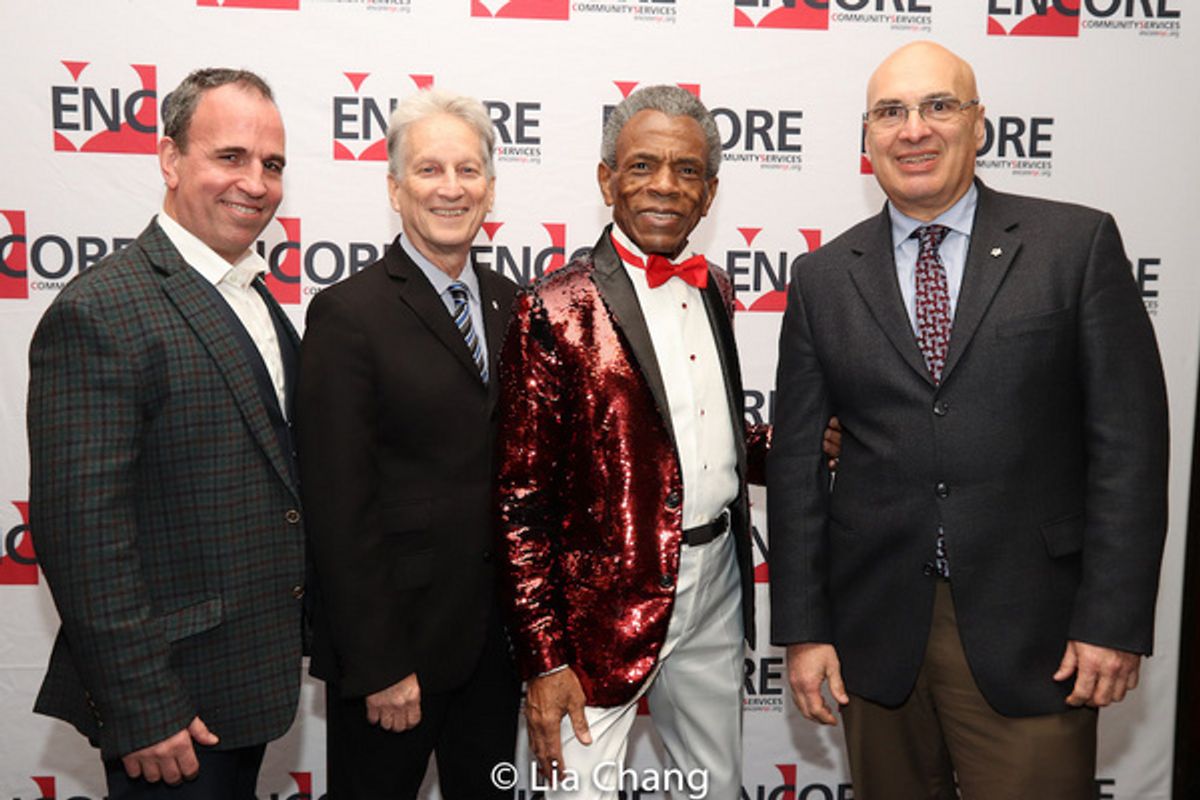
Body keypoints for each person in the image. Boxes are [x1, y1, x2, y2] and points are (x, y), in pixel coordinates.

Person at [768, 40, 1169, 799]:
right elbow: (793, 471)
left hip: (1035, 633)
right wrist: (804, 630)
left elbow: (1130, 450)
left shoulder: (1074, 246)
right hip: (875, 637)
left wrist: (1113, 620)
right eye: (890, 112)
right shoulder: (821, 278)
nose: (912, 129)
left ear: (979, 124)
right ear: (866, 137)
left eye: (937, 106)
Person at [27, 68, 304, 799]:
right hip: (171, 714)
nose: (255, 182)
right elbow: (82, 535)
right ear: (170, 159)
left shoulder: (257, 299)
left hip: (248, 687)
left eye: (271, 165)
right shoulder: (103, 310)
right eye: (231, 157)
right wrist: (142, 707)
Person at [495, 84, 768, 799]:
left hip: (717, 586)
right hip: (599, 611)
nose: (664, 188)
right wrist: (544, 659)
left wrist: (811, 442)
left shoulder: (714, 291)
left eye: (686, 171)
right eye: (643, 166)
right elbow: (519, 500)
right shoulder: (554, 306)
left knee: (713, 785)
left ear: (710, 194)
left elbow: (702, 436)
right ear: (606, 179)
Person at [296, 88, 520, 799]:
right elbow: (337, 506)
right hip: (395, 658)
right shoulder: (348, 314)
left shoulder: (514, 303)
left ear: (490, 187)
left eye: (467, 171)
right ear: (394, 189)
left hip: (496, 648)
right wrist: (379, 664)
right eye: (428, 171)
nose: (450, 189)